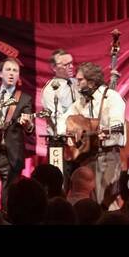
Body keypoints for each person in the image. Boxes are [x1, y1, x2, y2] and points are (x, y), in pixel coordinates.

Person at [0, 58, 34, 209]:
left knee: (8, 201)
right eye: (8, 70)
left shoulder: (24, 98)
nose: (11, 73)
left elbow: (30, 128)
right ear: (1, 73)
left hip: (12, 156)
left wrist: (28, 124)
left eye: (15, 71)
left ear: (18, 76)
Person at [67, 61, 126, 204]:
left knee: (106, 202)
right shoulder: (80, 102)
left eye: (80, 80)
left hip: (107, 157)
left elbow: (117, 125)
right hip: (86, 158)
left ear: (92, 83)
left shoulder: (112, 97)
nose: (77, 83)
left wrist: (106, 135)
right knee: (87, 202)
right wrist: (72, 132)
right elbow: (66, 120)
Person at [41, 49, 80, 179]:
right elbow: (55, 117)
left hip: (78, 142)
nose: (71, 67)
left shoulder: (77, 83)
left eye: (71, 63)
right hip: (60, 142)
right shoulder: (50, 90)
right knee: (60, 182)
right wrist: (68, 136)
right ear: (54, 67)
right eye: (65, 64)